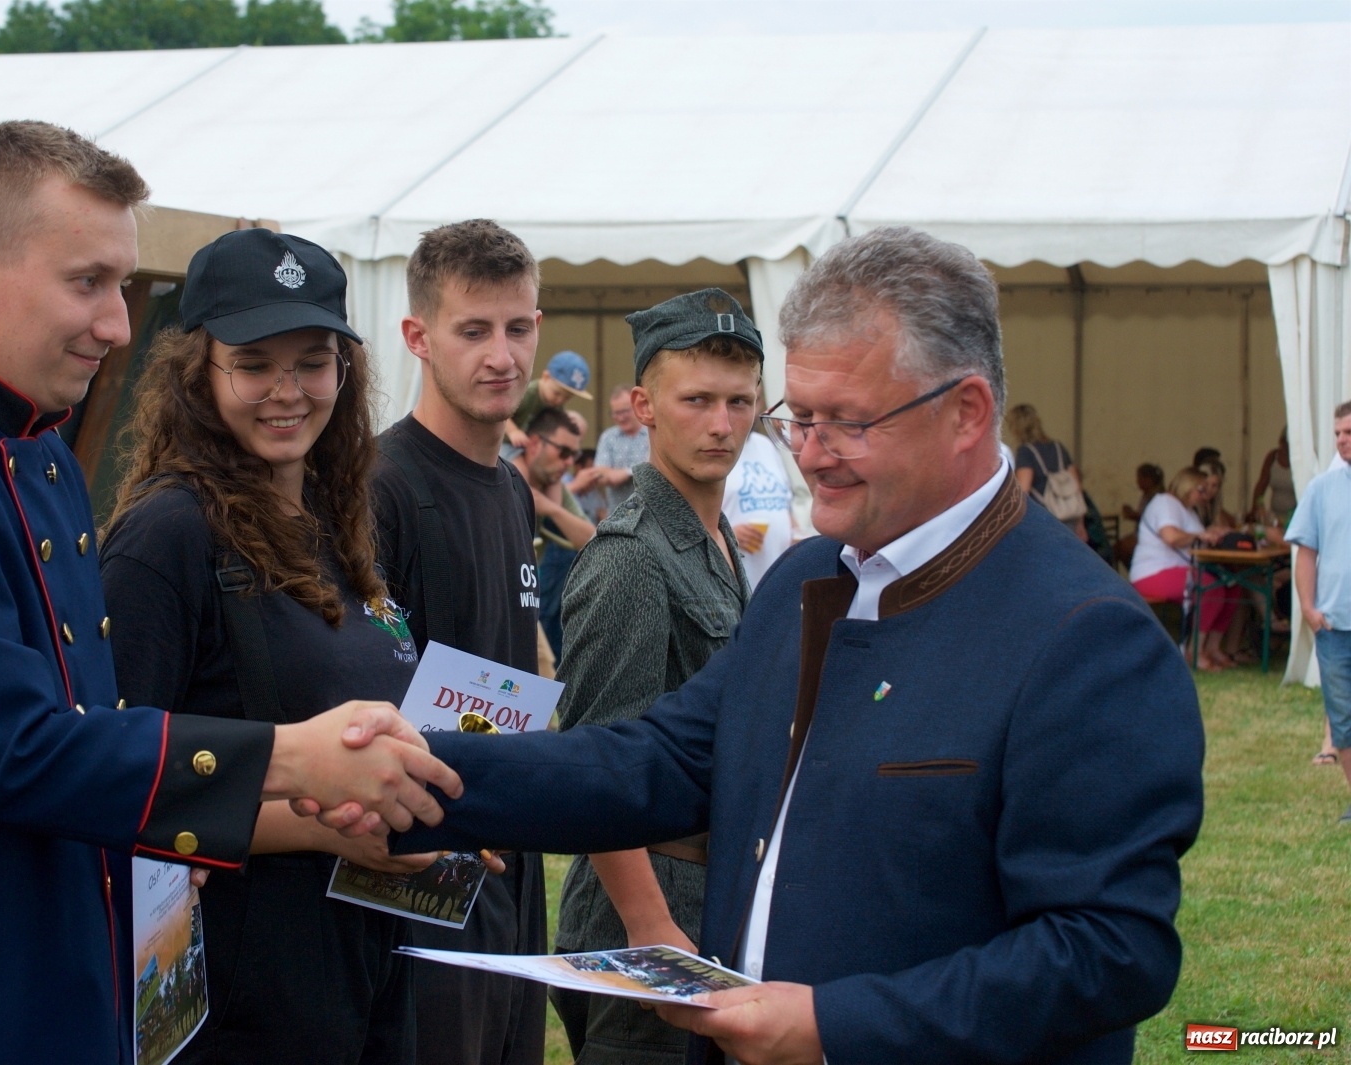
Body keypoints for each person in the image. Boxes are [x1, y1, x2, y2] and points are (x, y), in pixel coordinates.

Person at [373, 227, 1204, 1065]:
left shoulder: (1088, 638)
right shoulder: (808, 581)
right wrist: (403, 772)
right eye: (798, 417)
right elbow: (654, 763)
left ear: (966, 412)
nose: (807, 452)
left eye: (844, 422)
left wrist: (834, 1027)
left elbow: (1107, 952)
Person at [0, 120, 459, 1065]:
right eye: (88, 282)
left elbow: (103, 750)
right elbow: (9, 751)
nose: (116, 322)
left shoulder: (42, 456)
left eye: (121, 285)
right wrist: (289, 760)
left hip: (71, 987)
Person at [100, 229, 442, 1062]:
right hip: (241, 1001)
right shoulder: (166, 537)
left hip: (363, 970)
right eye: (254, 363)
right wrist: (328, 827)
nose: (288, 390)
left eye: (314, 361)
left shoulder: (335, 521)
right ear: (198, 373)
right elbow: (114, 785)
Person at [551, 288, 760, 1065]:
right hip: (645, 913)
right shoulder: (634, 554)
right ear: (643, 406)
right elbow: (594, 762)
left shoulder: (711, 535)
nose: (721, 423)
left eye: (739, 401)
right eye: (697, 399)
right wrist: (651, 929)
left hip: (707, 890)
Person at [371, 218, 548, 1065]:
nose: (501, 354)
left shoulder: (512, 487)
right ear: (418, 337)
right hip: (419, 871)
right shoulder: (381, 488)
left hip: (511, 846)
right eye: (473, 331)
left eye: (518, 327)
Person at [1284, 401, 1351, 822]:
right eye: (1338, 434)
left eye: (1349, 432)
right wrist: (1309, 609)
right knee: (1343, 719)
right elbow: (1305, 554)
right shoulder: (1322, 490)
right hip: (1335, 625)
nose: (1342, 440)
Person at [1128, 466, 1241, 671]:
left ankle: (1212, 647)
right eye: (1201, 489)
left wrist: (1212, 534)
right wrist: (1200, 536)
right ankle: (1194, 652)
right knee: (1210, 585)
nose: (1204, 495)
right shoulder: (1165, 502)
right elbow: (1171, 537)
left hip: (1179, 571)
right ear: (1188, 486)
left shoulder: (1188, 510)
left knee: (1232, 586)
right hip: (1152, 573)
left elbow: (1195, 539)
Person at [512, 407, 596, 663]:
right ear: (535, 444)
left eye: (574, 455)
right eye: (564, 452)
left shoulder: (550, 484)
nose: (570, 462)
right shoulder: (504, 477)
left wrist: (552, 510)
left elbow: (592, 541)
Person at [721, 384, 797, 591]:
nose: (752, 409)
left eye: (756, 401)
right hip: (737, 586)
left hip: (779, 581)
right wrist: (728, 536)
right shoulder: (715, 451)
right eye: (738, 401)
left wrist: (796, 535)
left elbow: (785, 502)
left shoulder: (766, 445)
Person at [1005, 402, 1086, 539]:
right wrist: (1081, 523)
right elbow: (1077, 487)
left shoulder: (1026, 452)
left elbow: (1023, 491)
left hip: (1047, 521)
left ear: (1017, 428)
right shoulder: (1058, 447)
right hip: (1070, 517)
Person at [502, 348, 592, 451]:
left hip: (528, 446)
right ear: (546, 377)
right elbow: (502, 413)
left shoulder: (556, 403)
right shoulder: (527, 393)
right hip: (505, 442)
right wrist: (513, 432)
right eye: (556, 393)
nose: (559, 400)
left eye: (567, 398)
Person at [591, 382, 651, 515]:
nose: (620, 417)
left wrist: (626, 473)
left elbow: (653, 468)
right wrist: (608, 475)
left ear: (637, 407)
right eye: (615, 413)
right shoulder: (608, 437)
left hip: (651, 513)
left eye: (624, 411)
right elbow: (599, 474)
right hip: (618, 514)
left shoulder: (652, 433)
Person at [1250, 428, 1296, 523]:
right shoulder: (1272, 457)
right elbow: (1261, 486)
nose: (1287, 447)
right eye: (1285, 443)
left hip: (1294, 516)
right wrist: (1257, 507)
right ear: (1281, 441)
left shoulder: (1299, 461)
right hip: (1274, 515)